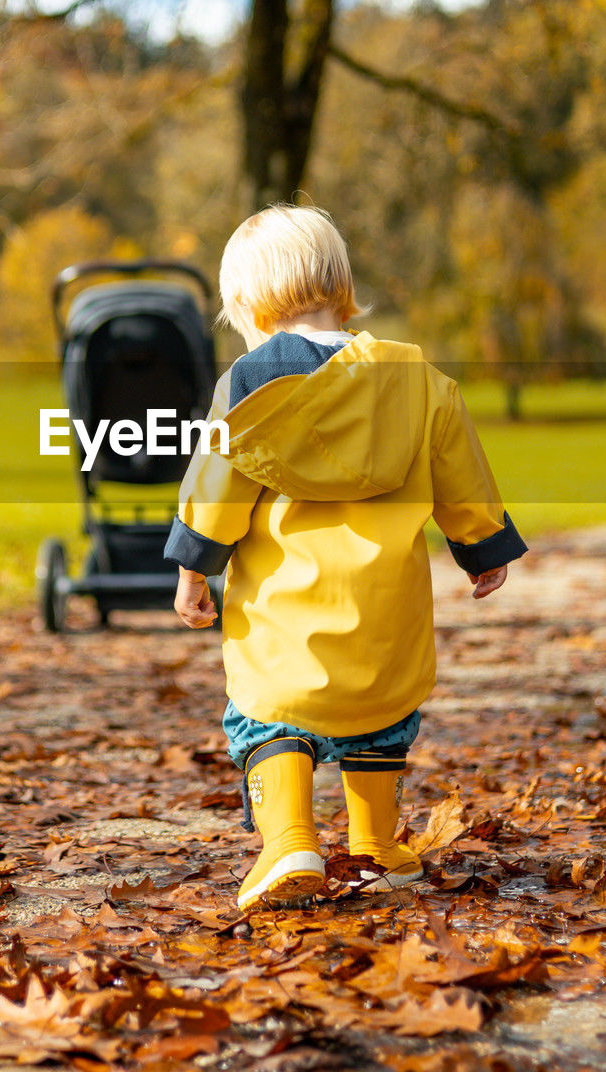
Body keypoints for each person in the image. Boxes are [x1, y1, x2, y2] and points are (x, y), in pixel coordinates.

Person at [164, 203, 527, 911]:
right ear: (339, 282)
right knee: (382, 722)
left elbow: (215, 485)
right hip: (382, 616)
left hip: (286, 617)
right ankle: (377, 847)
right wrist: (482, 547)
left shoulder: (248, 386)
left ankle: (290, 840)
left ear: (248, 302)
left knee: (268, 718)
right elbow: (461, 468)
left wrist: (193, 566)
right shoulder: (414, 377)